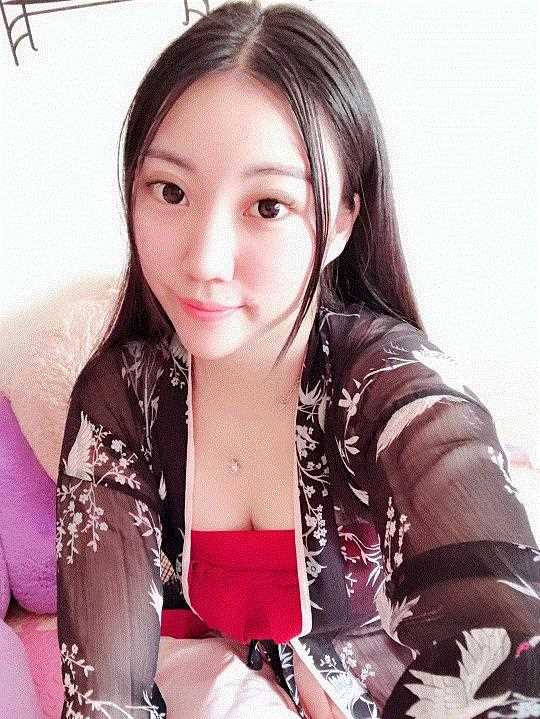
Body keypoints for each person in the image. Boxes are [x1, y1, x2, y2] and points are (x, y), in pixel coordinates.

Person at [55, 1, 540, 718]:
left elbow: (504, 641)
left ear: (342, 218)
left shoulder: (388, 387)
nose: (204, 260)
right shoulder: (126, 396)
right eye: (170, 191)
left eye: (269, 206)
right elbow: (102, 697)